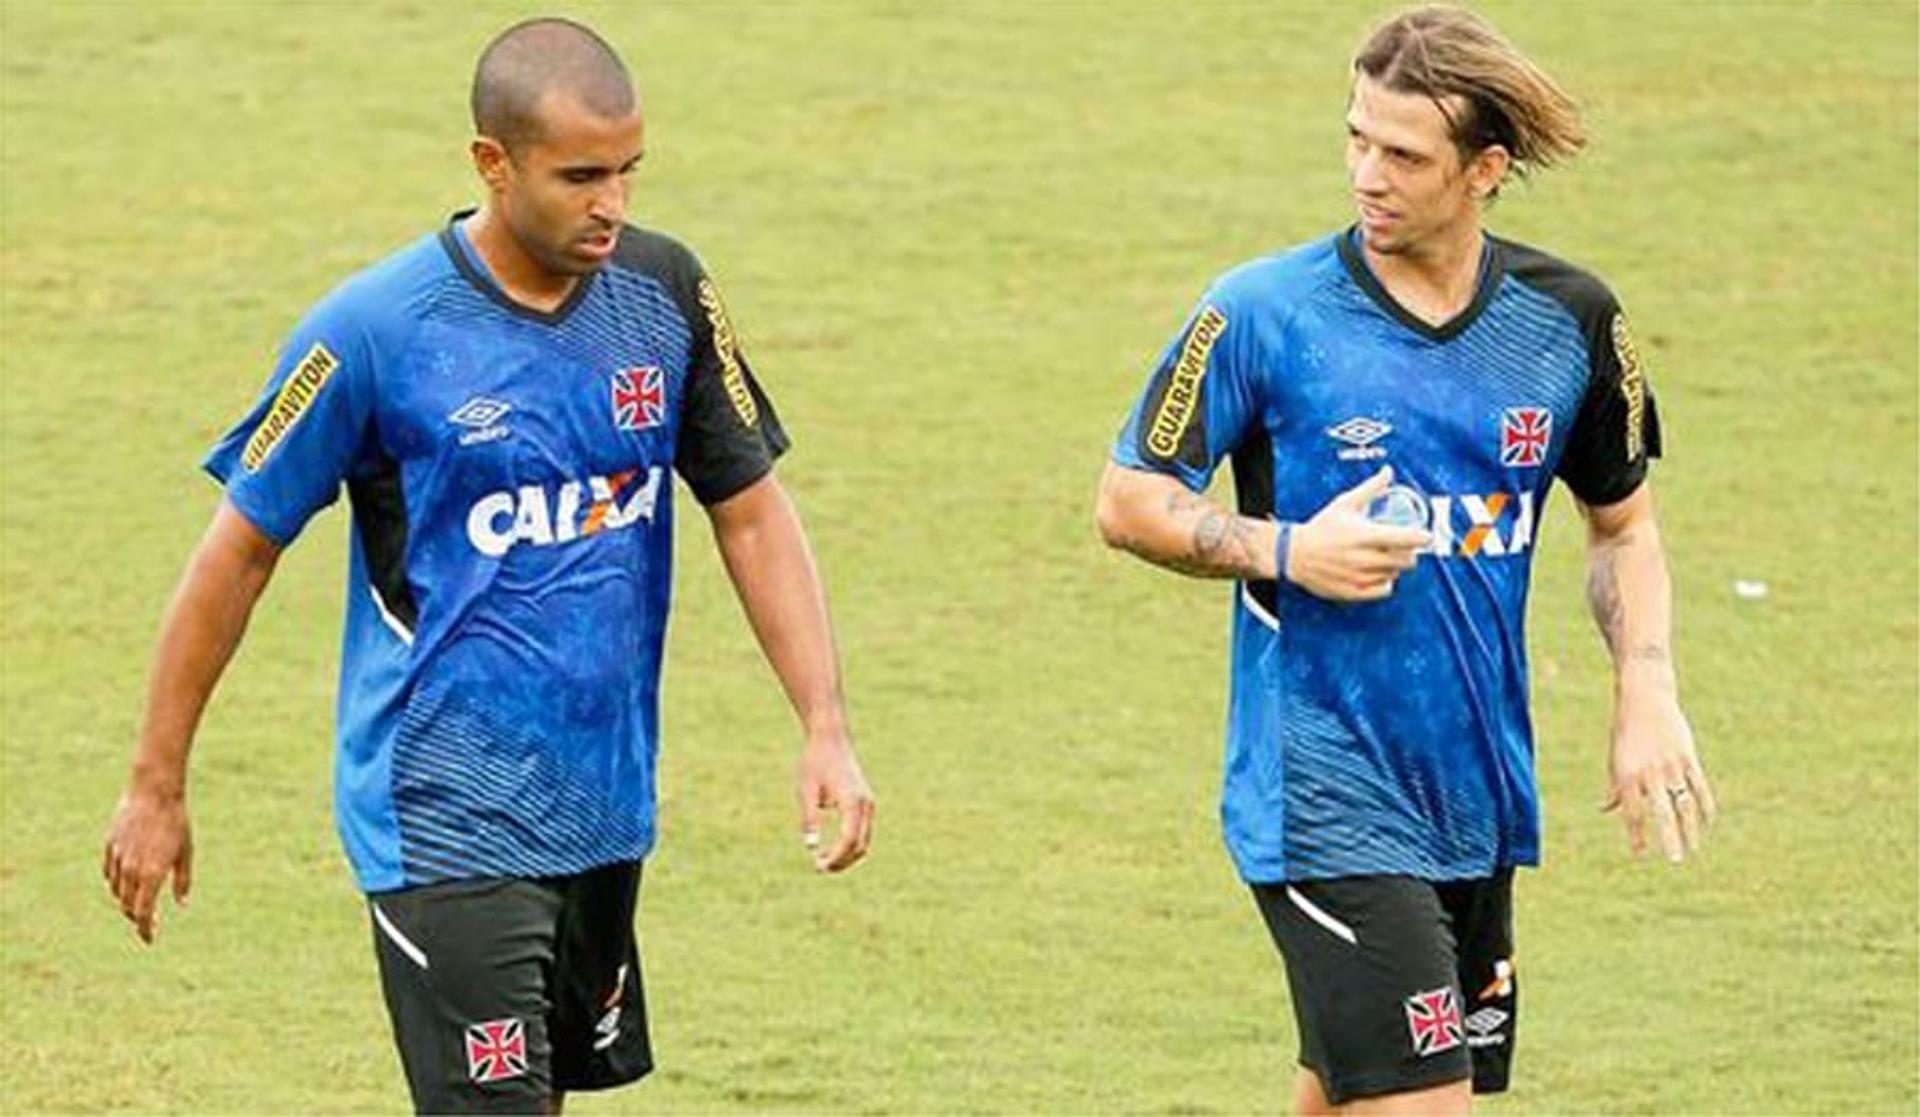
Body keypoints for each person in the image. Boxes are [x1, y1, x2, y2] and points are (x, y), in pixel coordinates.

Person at [101, 17, 874, 1113]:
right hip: (441, 814)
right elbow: (237, 553)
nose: (612, 204)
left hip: (603, 804)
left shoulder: (665, 293)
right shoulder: (372, 331)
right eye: (581, 177)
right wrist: (155, 783)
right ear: (491, 164)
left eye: (628, 171)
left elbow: (750, 511)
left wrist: (825, 724)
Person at [1096, 7, 1715, 1114]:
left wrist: (1647, 690)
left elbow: (1624, 526)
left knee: (1349, 1095)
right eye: (1356, 139)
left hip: (1475, 797)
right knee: (1424, 1101)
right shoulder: (1261, 314)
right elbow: (1129, 501)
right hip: (1321, 794)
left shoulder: (1566, 325)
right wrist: (1288, 548)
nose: (1365, 175)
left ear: (1484, 169)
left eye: (1403, 154)